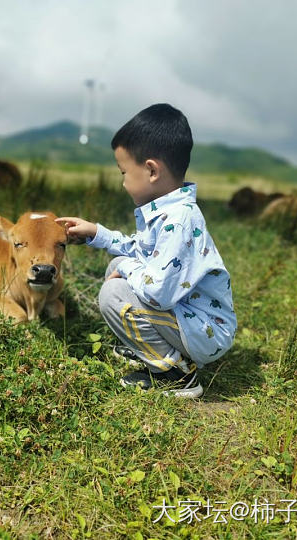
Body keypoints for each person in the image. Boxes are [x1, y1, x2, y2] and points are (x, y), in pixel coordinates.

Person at [56, 104, 236, 398]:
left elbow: (158, 294)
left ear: (151, 170)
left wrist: (125, 268)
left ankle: (175, 375)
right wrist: (96, 233)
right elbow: (136, 250)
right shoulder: (168, 213)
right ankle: (150, 347)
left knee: (113, 293)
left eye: (124, 172)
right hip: (190, 319)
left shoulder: (178, 220)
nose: (123, 181)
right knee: (119, 266)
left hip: (204, 330)